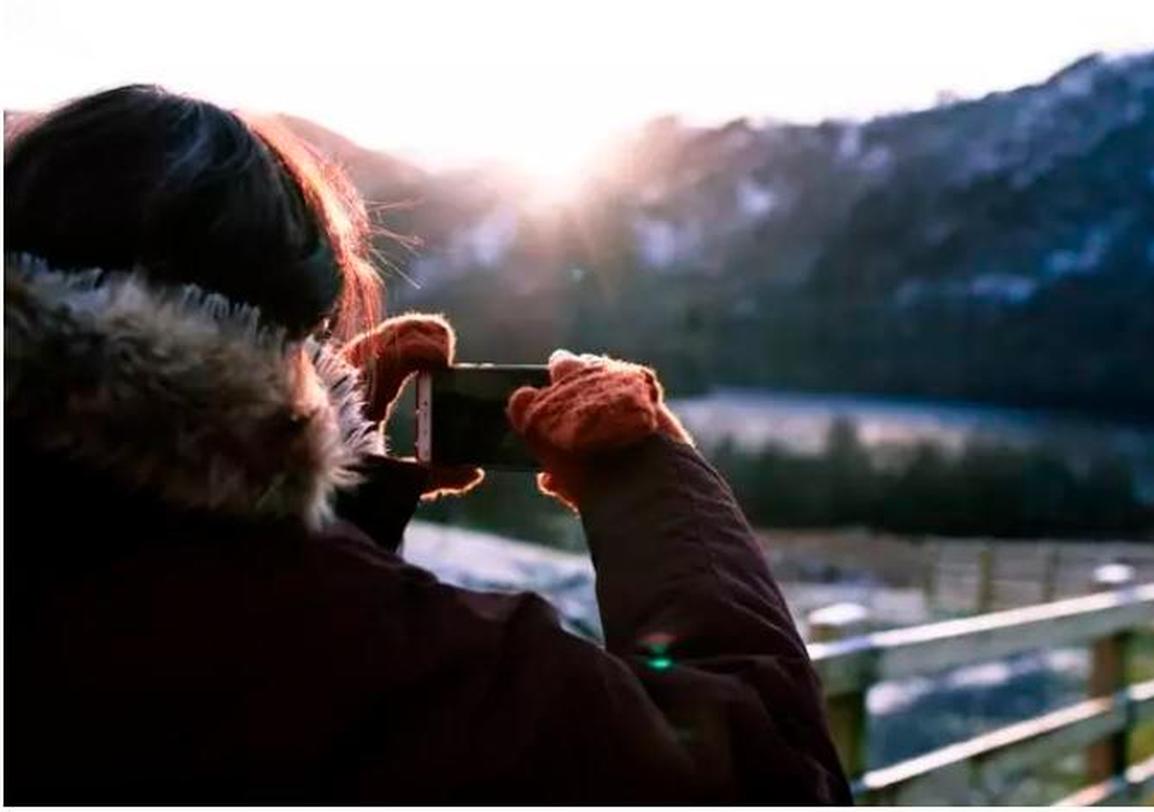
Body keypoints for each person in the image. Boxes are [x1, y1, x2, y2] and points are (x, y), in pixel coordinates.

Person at [3, 85, 850, 804]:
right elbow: (765, 776)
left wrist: (322, 487)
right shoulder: (369, 645)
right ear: (295, 330)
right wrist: (651, 473)